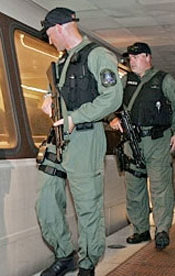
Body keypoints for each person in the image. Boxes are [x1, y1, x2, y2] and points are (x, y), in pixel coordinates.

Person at [36, 7, 123, 276]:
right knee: (46, 201)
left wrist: (75, 117)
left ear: (60, 28)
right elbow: (60, 96)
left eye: (50, 34)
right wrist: (48, 100)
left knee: (87, 205)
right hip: (59, 139)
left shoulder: (97, 56)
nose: (50, 41)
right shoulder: (61, 63)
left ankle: (87, 263)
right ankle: (65, 255)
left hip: (84, 137)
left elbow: (112, 98)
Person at [109, 42, 175, 250]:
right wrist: (112, 118)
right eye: (129, 58)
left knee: (160, 187)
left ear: (147, 57)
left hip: (157, 140)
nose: (131, 61)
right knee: (134, 188)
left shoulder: (164, 80)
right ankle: (140, 229)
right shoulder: (126, 81)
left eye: (135, 57)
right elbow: (112, 102)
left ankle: (161, 230)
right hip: (131, 141)